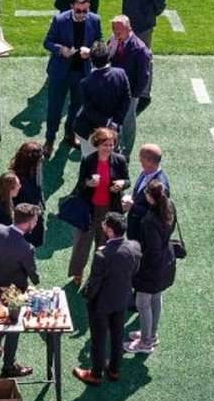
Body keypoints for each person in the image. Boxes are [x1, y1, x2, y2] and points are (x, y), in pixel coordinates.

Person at [73, 212, 140, 386]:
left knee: (99, 340)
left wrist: (87, 296)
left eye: (104, 224)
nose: (102, 225)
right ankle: (114, 370)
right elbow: (134, 271)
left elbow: (94, 282)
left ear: (110, 231)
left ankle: (95, 375)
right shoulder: (134, 247)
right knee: (118, 336)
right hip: (122, 299)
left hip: (102, 304)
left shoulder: (102, 254)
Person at [40, 0, 102, 156]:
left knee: (76, 107)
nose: (82, 14)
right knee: (55, 107)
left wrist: (90, 51)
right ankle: (50, 139)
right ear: (71, 6)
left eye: (85, 10)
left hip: (82, 72)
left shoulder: (95, 20)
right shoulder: (60, 20)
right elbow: (47, 42)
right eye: (78, 10)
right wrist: (61, 50)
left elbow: (99, 42)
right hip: (60, 72)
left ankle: (69, 134)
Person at [0, 203, 42, 378]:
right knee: (13, 326)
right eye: (36, 220)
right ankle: (9, 366)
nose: (37, 223)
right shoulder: (26, 248)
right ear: (29, 222)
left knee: (0, 319)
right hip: (13, 293)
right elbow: (34, 276)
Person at [68, 127, 130, 284]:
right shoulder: (89, 160)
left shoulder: (120, 160)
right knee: (82, 242)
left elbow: (127, 180)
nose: (109, 148)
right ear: (97, 144)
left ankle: (98, 275)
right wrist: (89, 183)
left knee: (104, 245)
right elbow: (81, 184)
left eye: (111, 145)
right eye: (105, 145)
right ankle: (77, 273)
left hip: (109, 210)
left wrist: (122, 184)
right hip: (90, 209)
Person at [126, 180, 175, 356]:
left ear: (150, 197)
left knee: (142, 303)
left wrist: (139, 267)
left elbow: (152, 250)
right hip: (166, 262)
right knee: (156, 298)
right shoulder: (169, 207)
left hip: (152, 268)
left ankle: (146, 342)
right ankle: (151, 335)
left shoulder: (149, 220)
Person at [108, 15, 153, 156]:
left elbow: (144, 76)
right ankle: (114, 146)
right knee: (114, 120)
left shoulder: (140, 49)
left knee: (127, 123)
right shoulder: (114, 41)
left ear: (129, 29)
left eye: (119, 31)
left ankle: (126, 151)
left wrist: (134, 96)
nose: (116, 34)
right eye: (114, 30)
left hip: (130, 94)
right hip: (115, 90)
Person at [75, 44, 131, 149]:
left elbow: (89, 110)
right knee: (111, 161)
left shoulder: (85, 83)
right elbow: (126, 100)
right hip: (114, 130)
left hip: (91, 131)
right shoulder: (121, 74)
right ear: (108, 57)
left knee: (89, 161)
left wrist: (108, 123)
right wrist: (114, 123)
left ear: (91, 60)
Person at [124, 143, 171, 239]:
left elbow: (157, 215)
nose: (139, 160)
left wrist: (132, 207)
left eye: (142, 158)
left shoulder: (160, 185)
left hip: (145, 236)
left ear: (150, 161)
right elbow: (137, 191)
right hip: (135, 231)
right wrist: (130, 196)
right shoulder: (146, 172)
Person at [9, 140, 47, 247]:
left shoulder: (31, 174)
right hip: (25, 224)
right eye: (40, 162)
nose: (42, 164)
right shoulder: (20, 183)